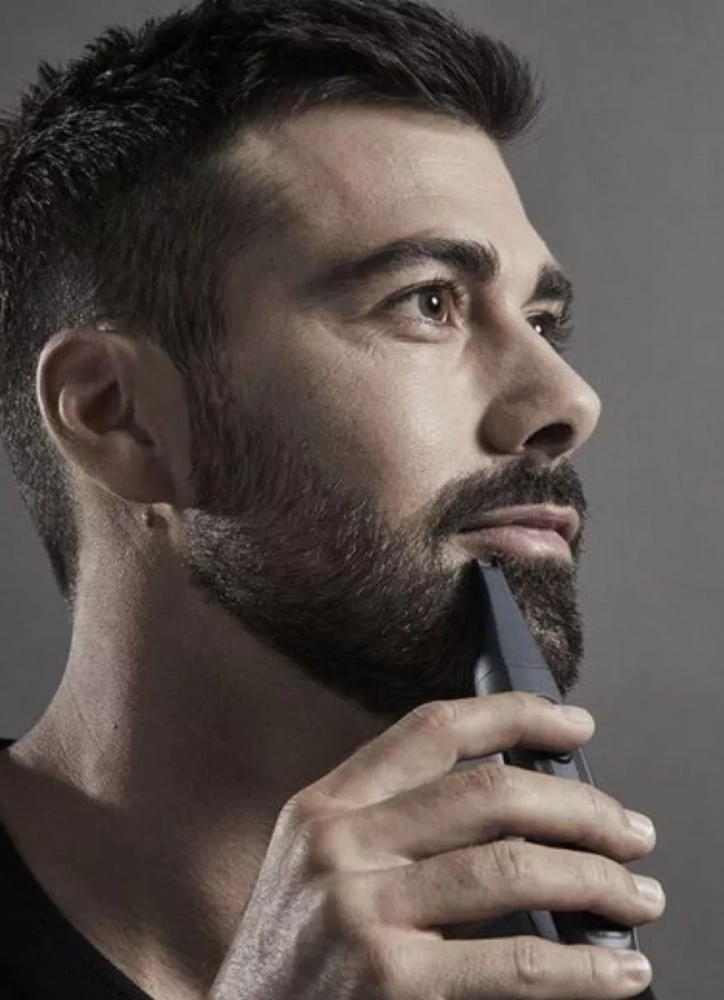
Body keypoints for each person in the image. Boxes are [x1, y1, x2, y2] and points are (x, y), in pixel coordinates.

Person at [0, 0, 665, 997]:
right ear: (120, 418)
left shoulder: (531, 956)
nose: (570, 401)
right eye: (428, 301)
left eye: (540, 321)